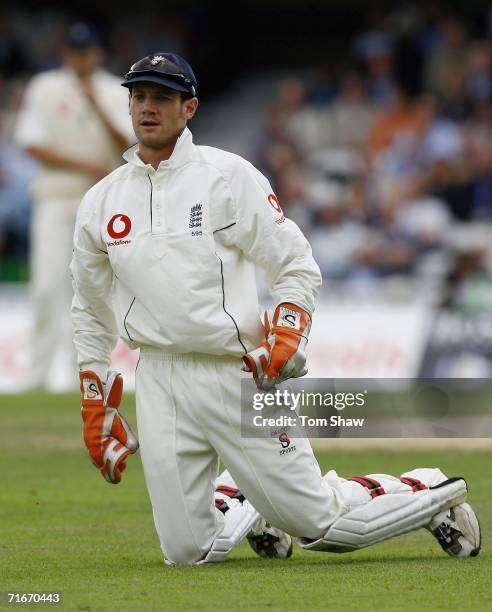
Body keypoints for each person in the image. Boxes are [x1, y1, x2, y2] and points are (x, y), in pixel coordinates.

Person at [71, 52, 481, 565]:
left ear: (189, 108)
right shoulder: (102, 202)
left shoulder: (227, 177)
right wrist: (95, 401)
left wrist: (287, 334)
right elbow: (89, 310)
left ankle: (428, 489)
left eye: (162, 97)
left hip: (240, 373)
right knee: (187, 552)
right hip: (160, 378)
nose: (148, 108)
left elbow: (296, 265)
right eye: (139, 96)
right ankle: (244, 498)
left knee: (323, 524)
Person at [15, 22, 134, 390]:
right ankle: (37, 374)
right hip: (55, 197)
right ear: (65, 53)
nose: (82, 58)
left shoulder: (116, 90)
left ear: (98, 53)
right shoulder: (45, 87)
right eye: (75, 51)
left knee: (92, 290)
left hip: (100, 203)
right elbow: (32, 144)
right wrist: (86, 165)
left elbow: (127, 141)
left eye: (88, 51)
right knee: (48, 286)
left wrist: (94, 101)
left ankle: (83, 374)